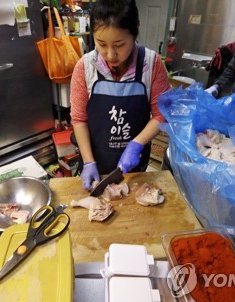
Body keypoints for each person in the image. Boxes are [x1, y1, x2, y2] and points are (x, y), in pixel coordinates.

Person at [70, 0, 171, 190]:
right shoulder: (85, 67)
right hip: (95, 161)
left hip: (135, 165)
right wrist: (89, 162)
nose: (110, 54)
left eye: (119, 44)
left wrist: (136, 144)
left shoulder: (152, 64)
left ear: (135, 30)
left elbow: (161, 114)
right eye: (101, 44)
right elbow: (79, 118)